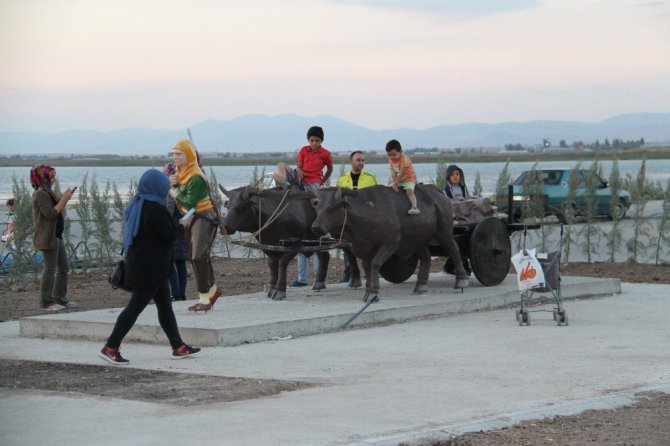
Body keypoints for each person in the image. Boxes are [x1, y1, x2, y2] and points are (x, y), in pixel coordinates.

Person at [98, 169, 201, 365]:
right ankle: (110, 347)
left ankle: (178, 346)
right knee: (134, 308)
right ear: (156, 186)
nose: (166, 188)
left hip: (151, 267)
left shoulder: (140, 204)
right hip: (150, 269)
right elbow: (169, 235)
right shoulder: (154, 208)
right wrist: (183, 224)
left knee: (165, 307)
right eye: (164, 185)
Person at [169, 139, 222, 312]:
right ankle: (209, 292)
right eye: (173, 154)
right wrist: (176, 185)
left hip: (204, 217)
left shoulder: (196, 176)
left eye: (179, 154)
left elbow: (190, 201)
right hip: (193, 217)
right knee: (196, 256)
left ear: (189, 155)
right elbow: (187, 204)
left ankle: (206, 296)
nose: (175, 157)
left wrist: (174, 191)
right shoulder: (183, 173)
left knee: (198, 256)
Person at [30, 165, 78, 312]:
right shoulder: (40, 194)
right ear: (42, 178)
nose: (54, 179)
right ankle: (46, 302)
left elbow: (58, 209)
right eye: (51, 176)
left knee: (63, 267)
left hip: (56, 236)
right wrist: (63, 199)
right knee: (50, 269)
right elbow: (50, 214)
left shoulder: (48, 192)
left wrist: (64, 198)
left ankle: (59, 298)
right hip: (47, 237)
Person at [290, 126, 333, 287]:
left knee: (315, 200)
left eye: (317, 140)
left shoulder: (325, 153)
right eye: (311, 140)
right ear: (308, 140)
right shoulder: (303, 150)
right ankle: (302, 279)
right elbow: (299, 164)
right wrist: (299, 170)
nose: (314, 143)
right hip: (302, 179)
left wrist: (323, 180)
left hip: (315, 180)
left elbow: (330, 168)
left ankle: (320, 222)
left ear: (321, 141)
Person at [336, 150, 377, 282]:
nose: (361, 163)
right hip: (348, 220)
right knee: (347, 247)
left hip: (365, 220)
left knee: (368, 248)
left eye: (363, 160)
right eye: (358, 160)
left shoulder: (370, 178)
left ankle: (369, 275)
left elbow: (375, 199)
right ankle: (350, 273)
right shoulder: (342, 180)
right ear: (351, 161)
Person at [163, 163, 188, 301]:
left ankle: (176, 294)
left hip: (172, 232)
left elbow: (168, 213)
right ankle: (181, 293)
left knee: (171, 264)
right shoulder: (184, 190)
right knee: (181, 263)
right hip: (182, 232)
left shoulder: (170, 193)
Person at [442, 164, 473, 277]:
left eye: (457, 174)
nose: (455, 177)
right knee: (460, 241)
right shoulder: (445, 191)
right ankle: (462, 267)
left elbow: (470, 201)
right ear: (448, 177)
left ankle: (450, 266)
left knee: (467, 239)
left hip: (465, 218)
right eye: (452, 175)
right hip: (453, 219)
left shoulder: (464, 189)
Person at [385, 139, 420, 215]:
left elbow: (402, 172)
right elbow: (393, 173)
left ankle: (414, 206)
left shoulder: (405, 159)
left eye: (394, 155)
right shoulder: (390, 160)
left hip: (409, 178)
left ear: (400, 152)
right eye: (389, 155)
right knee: (389, 189)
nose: (391, 157)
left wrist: (396, 183)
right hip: (400, 180)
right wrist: (395, 183)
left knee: (409, 191)